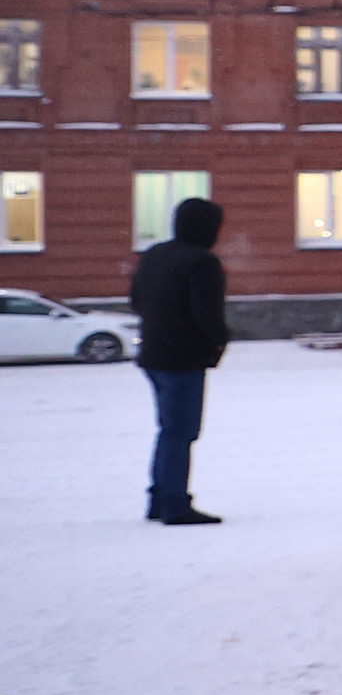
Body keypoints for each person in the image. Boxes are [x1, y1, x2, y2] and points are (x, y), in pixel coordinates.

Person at [128, 195, 228, 525]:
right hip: (183, 358)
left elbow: (137, 300)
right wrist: (219, 340)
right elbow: (207, 314)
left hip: (155, 355)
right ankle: (174, 504)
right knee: (180, 432)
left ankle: (160, 498)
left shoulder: (155, 255)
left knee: (168, 430)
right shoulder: (202, 262)